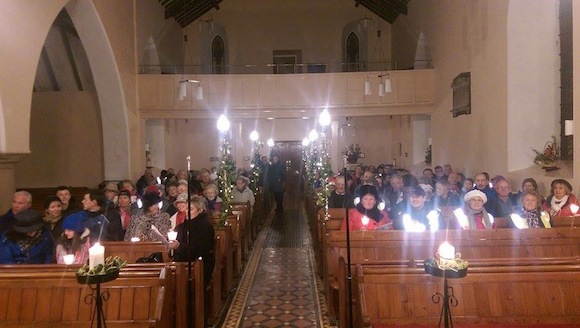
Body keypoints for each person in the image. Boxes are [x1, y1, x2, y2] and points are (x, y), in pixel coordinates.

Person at [169, 195, 215, 288]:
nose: (187, 212)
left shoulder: (206, 227)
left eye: (191, 209)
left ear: (200, 210)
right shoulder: (181, 227)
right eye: (186, 209)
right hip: (181, 264)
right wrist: (171, 247)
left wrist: (179, 247)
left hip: (200, 265)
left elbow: (202, 250)